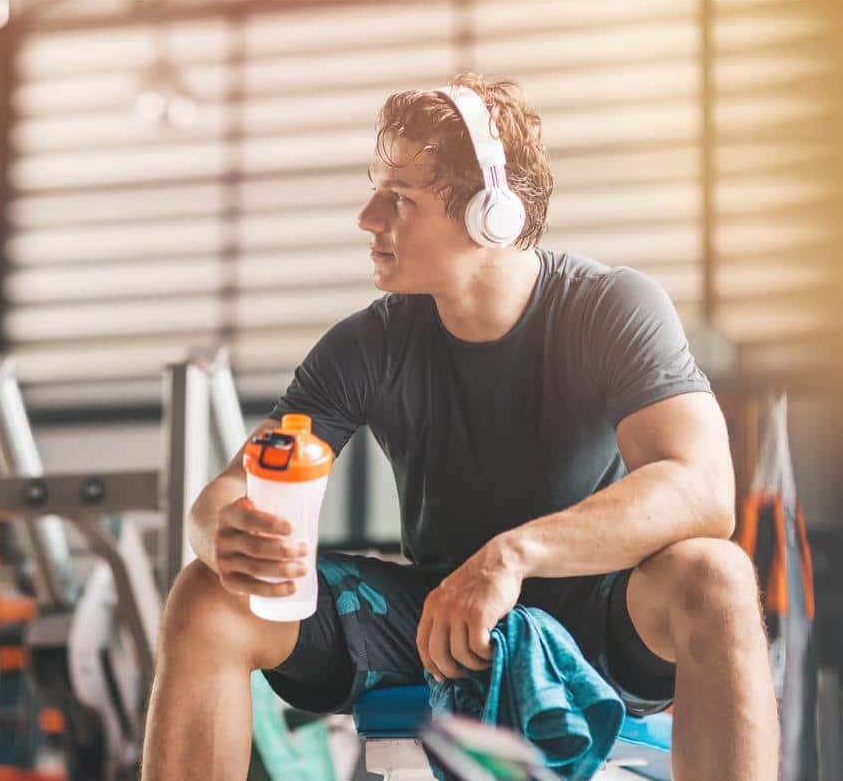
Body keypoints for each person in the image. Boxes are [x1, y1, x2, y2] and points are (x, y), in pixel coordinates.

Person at [140, 72, 778, 781]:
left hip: (596, 616)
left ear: (490, 216)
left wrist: (510, 556)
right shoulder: (369, 343)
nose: (367, 217)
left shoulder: (611, 307)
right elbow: (236, 484)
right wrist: (222, 531)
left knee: (717, 575)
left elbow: (703, 490)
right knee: (205, 597)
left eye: (399, 199)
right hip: (432, 623)